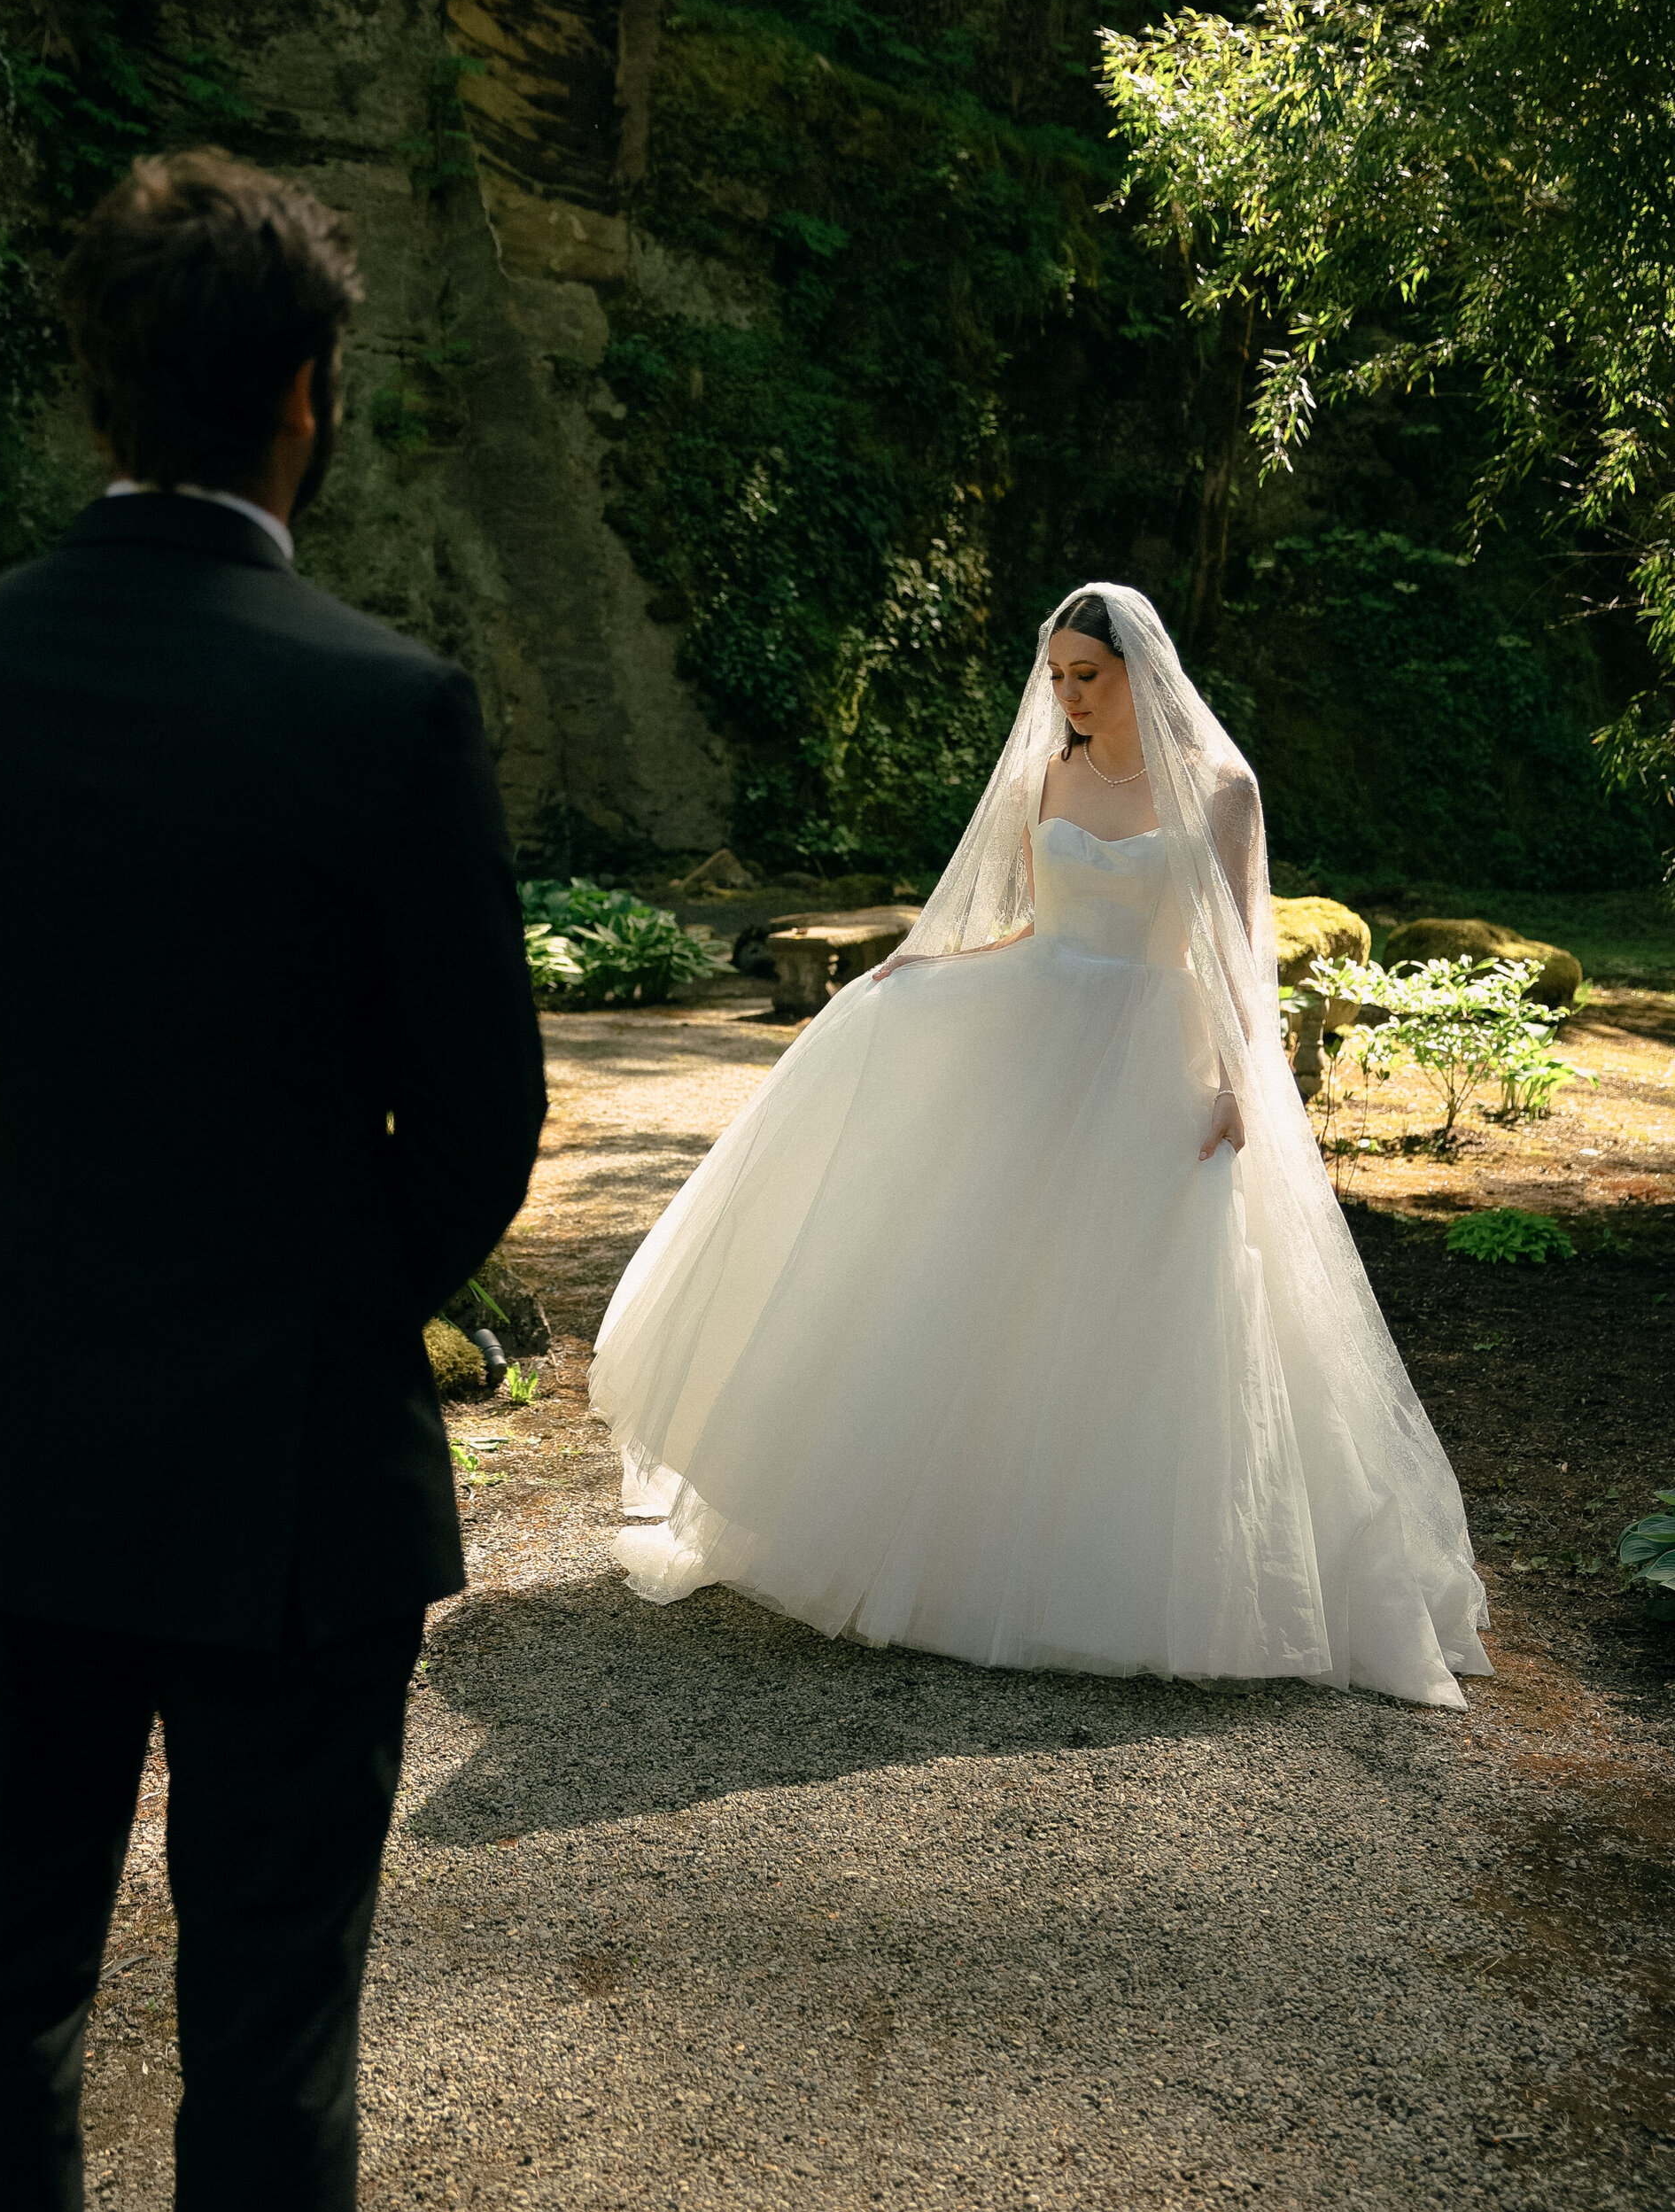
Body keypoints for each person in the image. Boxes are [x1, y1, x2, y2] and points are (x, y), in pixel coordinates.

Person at [0, 149, 546, 2212]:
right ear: (305, 404)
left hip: (7, 1446)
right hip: (285, 1473)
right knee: (266, 2009)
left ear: (99, 391)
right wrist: (310, 1302)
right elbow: (478, 1129)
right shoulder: (382, 709)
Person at [592, 584, 1488, 1708]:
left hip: (1151, 1058)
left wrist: (1233, 1081)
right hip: (1034, 1039)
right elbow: (1033, 923)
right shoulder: (1051, 774)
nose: (1066, 695)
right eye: (1056, 675)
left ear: (1140, 672)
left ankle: (1118, 1567)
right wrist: (933, 971)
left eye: (1086, 676)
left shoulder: (1222, 789)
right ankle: (943, 1532)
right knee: (980, 1274)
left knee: (1137, 1293)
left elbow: (1233, 949)